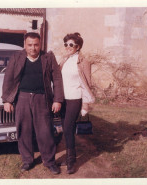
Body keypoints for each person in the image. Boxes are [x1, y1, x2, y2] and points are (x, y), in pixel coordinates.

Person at [1, 32, 64, 175]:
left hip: (42, 99)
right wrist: (6, 100)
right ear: (25, 44)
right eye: (30, 45)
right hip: (22, 98)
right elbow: (8, 79)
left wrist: (57, 99)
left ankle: (49, 161)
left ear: (40, 44)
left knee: (45, 131)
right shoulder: (17, 57)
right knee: (24, 131)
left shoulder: (48, 57)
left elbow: (57, 79)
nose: (33, 48)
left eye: (36, 45)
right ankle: (27, 160)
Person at [59, 32, 95, 174]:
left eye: (71, 45)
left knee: (68, 128)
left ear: (78, 46)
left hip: (75, 98)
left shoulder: (83, 62)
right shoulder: (64, 60)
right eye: (66, 44)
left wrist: (85, 104)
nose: (68, 47)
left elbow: (87, 84)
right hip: (62, 99)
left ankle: (71, 160)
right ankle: (69, 157)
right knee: (65, 128)